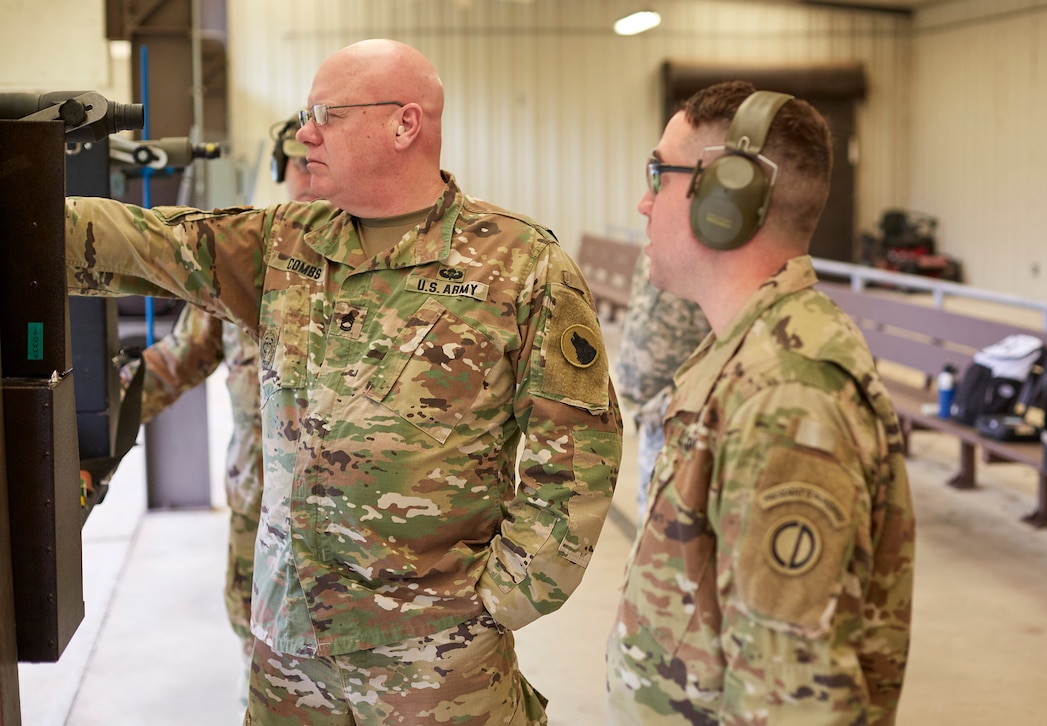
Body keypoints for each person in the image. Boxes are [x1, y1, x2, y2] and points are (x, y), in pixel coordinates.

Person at [65, 39, 622, 724]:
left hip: (437, 665)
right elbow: (140, 241)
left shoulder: (519, 264)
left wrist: (502, 600)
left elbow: (577, 454)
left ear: (404, 124)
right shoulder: (283, 242)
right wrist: (22, 208)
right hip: (289, 654)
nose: (305, 134)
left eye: (325, 113)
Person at [605, 80, 915, 724]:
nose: (642, 201)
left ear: (727, 197)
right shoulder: (747, 356)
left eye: (659, 172)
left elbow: (793, 700)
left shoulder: (787, 397)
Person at [119, 117, 314, 710]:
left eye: (314, 162)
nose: (305, 176)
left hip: (365, 528)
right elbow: (183, 357)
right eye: (297, 163)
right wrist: (92, 423)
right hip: (259, 505)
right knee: (261, 652)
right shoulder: (252, 263)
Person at [614, 251, 710, 521]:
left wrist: (686, 393)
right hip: (647, 406)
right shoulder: (652, 249)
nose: (646, 208)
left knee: (666, 510)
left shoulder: (710, 252)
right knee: (648, 497)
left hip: (680, 405)